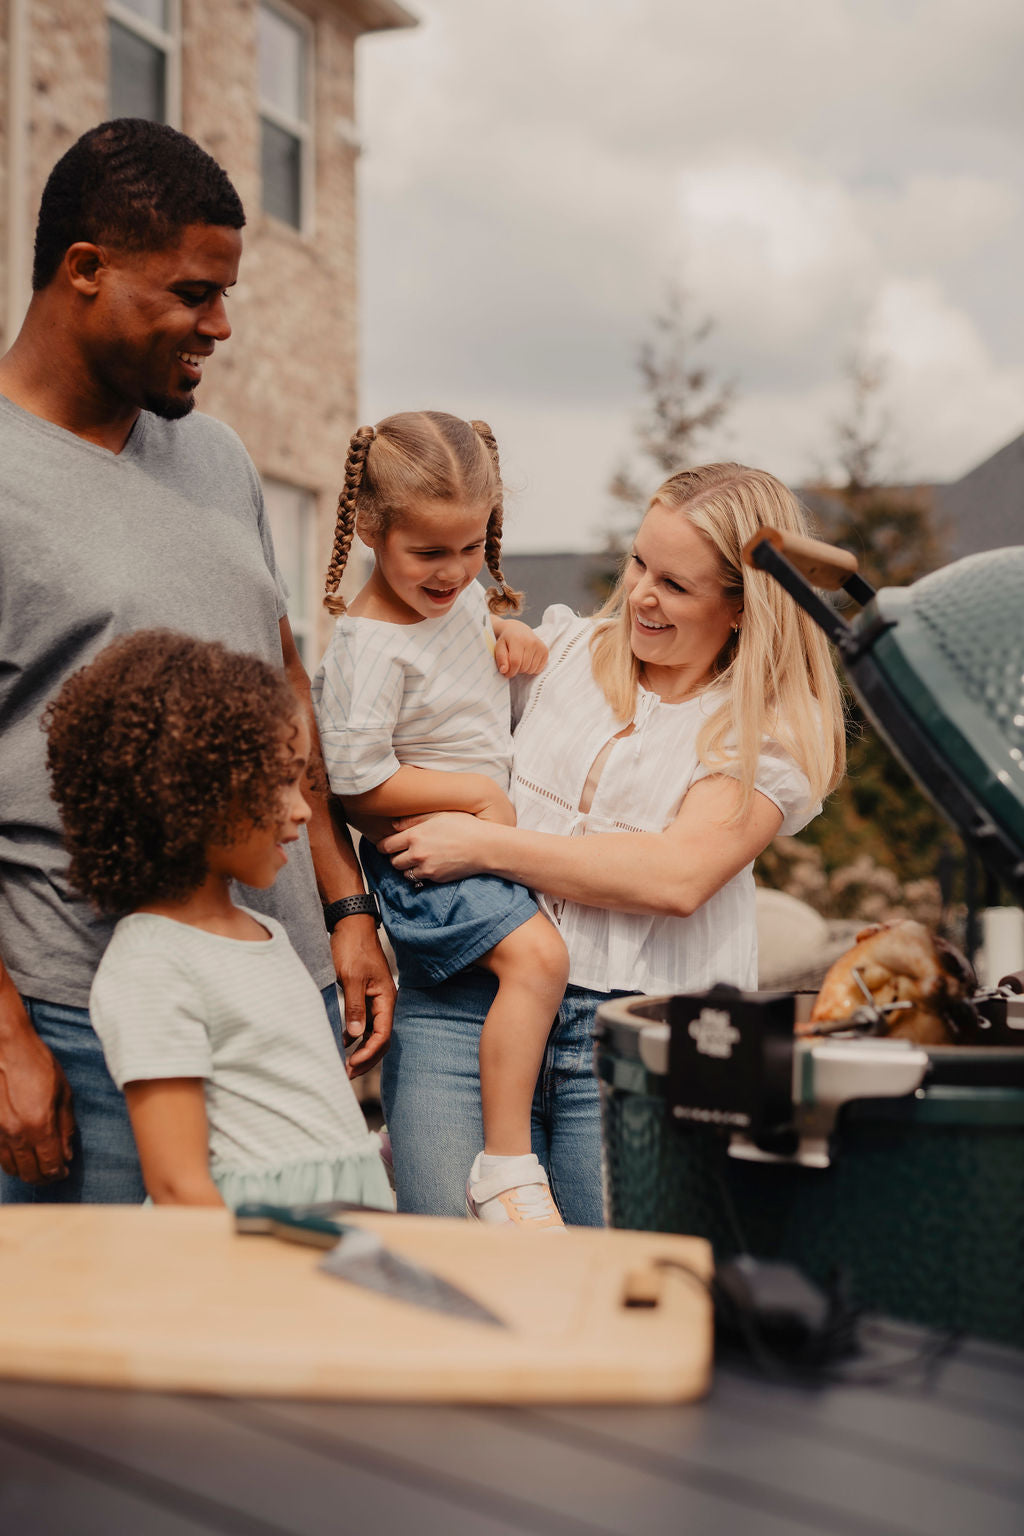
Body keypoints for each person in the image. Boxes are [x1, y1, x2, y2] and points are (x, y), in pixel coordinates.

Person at [0, 119, 394, 1203]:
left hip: (286, 987)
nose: (219, 324)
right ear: (85, 269)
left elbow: (281, 684)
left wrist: (343, 903)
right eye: (190, 293)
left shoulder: (215, 455)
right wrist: (7, 1040)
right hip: (90, 1026)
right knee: (127, 1353)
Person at [377, 463, 847, 1224]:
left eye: (676, 584)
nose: (641, 595)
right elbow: (421, 719)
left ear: (742, 606)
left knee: (609, 1282)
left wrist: (486, 845)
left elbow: (677, 876)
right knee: (454, 1270)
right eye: (638, 563)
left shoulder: (767, 730)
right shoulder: (560, 653)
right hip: (467, 996)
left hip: (634, 1041)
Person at [313, 411, 570, 1228]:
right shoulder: (367, 645)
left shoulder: (451, 602)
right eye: (429, 553)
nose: (454, 571)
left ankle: (414, 1143)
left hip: (470, 844)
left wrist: (509, 635)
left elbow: (458, 675)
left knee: (526, 967)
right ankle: (503, 1165)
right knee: (538, 961)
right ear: (369, 530)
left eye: (470, 548)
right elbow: (355, 786)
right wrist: (474, 801)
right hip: (425, 855)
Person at [45, 631, 393, 1211]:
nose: (304, 809)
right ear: (193, 793)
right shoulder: (150, 964)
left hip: (336, 1237)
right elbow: (179, 1185)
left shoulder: (269, 935)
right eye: (280, 782)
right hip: (255, 1256)